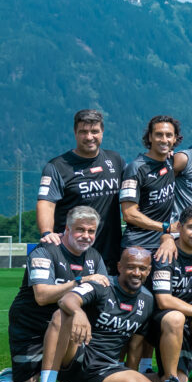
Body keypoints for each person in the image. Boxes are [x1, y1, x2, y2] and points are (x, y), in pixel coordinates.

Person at [0, 206, 109, 382]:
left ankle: (59, 377)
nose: (86, 235)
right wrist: (79, 281)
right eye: (80, 229)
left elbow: (102, 291)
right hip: (31, 327)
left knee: (82, 380)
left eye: (91, 231)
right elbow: (41, 296)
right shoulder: (44, 251)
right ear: (67, 229)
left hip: (64, 325)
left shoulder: (95, 257)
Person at [34, 247, 163, 382]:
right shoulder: (102, 285)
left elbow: (136, 344)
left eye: (142, 268)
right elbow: (67, 299)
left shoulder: (147, 300)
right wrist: (78, 312)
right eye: (131, 267)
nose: (137, 273)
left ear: (149, 270)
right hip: (76, 357)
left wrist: (130, 373)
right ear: (120, 267)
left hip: (106, 368)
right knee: (61, 315)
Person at [36, 109, 124, 273]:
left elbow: (139, 183)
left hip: (110, 255)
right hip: (71, 255)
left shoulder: (115, 160)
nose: (89, 137)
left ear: (102, 132)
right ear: (75, 133)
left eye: (94, 131)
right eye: (83, 132)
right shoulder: (57, 166)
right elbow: (46, 204)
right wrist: (47, 232)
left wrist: (164, 159)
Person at [148, 205, 192, 382]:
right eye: (191, 227)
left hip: (188, 317)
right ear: (179, 227)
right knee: (180, 316)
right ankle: (144, 378)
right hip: (162, 321)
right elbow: (163, 300)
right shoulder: (166, 254)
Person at [119, 115, 181, 252]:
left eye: (169, 135)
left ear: (175, 138)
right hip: (137, 246)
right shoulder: (135, 168)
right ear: (150, 137)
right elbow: (129, 213)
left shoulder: (170, 161)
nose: (164, 140)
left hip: (162, 244)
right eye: (159, 135)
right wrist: (166, 227)